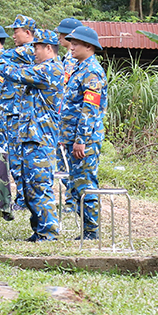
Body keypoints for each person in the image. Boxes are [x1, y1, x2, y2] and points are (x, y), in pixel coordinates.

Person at [0, 29, 63, 241]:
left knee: (39, 185)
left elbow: (17, 74)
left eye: (37, 48)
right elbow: (15, 67)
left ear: (48, 48)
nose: (34, 52)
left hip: (41, 139)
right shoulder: (40, 67)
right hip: (30, 137)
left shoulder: (51, 69)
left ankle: (49, 232)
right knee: (30, 187)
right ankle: (39, 230)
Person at [60, 25, 108, 240]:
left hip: (84, 141)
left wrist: (81, 140)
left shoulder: (92, 72)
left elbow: (89, 110)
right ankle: (87, 229)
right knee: (74, 184)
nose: (71, 47)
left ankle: (91, 231)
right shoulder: (79, 68)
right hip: (72, 138)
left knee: (85, 184)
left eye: (76, 43)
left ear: (88, 46)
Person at [0, 14, 36, 209]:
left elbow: (3, 56)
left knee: (18, 159)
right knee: (14, 158)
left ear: (27, 32)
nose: (13, 35)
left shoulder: (29, 51)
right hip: (13, 112)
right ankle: (20, 198)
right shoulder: (20, 51)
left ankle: (23, 199)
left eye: (16, 31)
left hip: (21, 114)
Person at [55, 17, 84, 209]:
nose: (58, 37)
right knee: (62, 163)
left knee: (73, 166)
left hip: (74, 122)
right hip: (64, 119)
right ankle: (70, 199)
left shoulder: (77, 63)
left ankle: (73, 200)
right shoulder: (66, 58)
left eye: (62, 34)